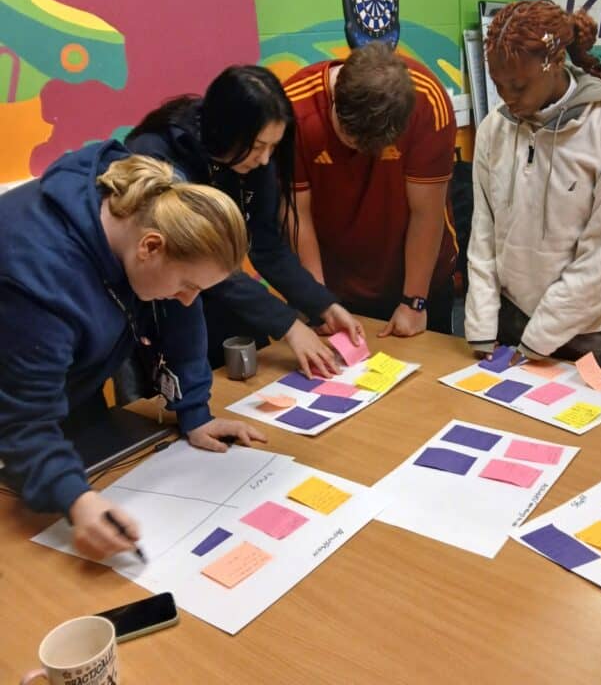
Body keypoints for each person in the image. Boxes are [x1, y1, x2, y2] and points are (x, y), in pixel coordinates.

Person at [0, 142, 266, 560]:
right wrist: (78, 501)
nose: (185, 298)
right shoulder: (39, 284)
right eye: (186, 284)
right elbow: (23, 422)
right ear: (151, 248)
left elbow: (182, 314)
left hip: (50, 385)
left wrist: (195, 411)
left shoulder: (156, 202)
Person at [125, 65, 363, 379]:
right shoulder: (159, 156)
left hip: (216, 291)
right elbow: (201, 261)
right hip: (161, 298)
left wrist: (323, 305)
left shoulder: (252, 160)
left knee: (255, 370)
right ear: (228, 131)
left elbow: (266, 245)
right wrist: (289, 325)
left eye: (274, 147)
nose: (265, 160)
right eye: (260, 146)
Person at [464, 0, 601, 369]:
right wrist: (483, 322)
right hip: (513, 312)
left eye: (518, 86)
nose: (506, 98)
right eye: (498, 85)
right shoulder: (493, 130)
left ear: (553, 65)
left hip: (591, 325)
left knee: (585, 424)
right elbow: (483, 233)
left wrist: (539, 338)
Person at [283, 42, 458, 338]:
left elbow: (426, 213)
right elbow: (297, 217)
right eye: (349, 138)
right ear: (336, 100)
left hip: (417, 278)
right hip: (333, 280)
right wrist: (318, 302)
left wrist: (414, 302)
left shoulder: (428, 101)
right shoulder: (294, 110)